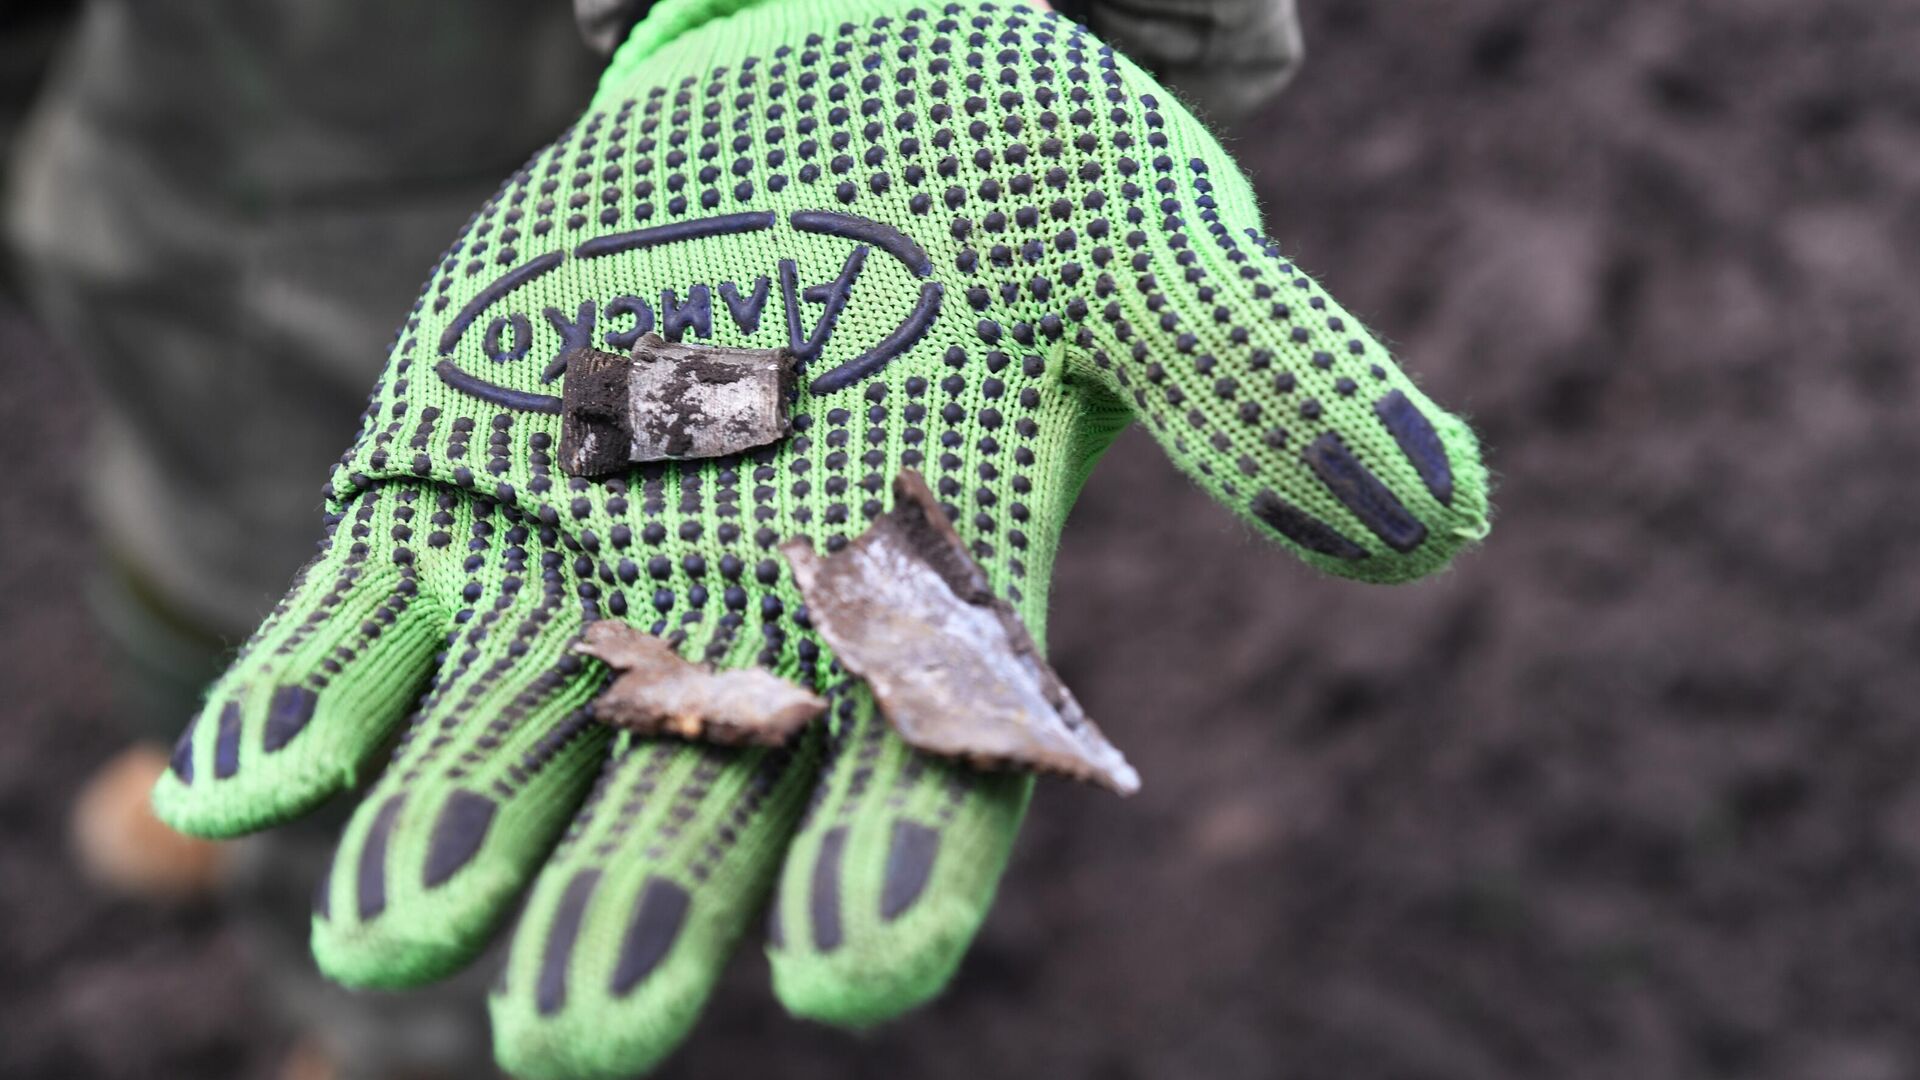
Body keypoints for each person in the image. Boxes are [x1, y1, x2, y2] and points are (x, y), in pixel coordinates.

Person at [5, 2, 1356, 1078]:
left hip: (564, 252)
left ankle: (403, 1047)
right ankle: (197, 738)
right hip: (159, 194)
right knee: (208, 570)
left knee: (461, 686)